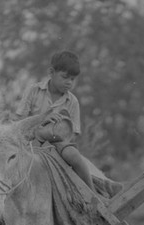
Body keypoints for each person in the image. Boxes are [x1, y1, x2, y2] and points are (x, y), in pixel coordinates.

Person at [15, 50, 94, 191]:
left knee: (73, 155)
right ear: (51, 72)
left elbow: (73, 134)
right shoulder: (34, 91)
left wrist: (59, 132)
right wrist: (42, 121)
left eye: (73, 79)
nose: (69, 82)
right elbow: (20, 122)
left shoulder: (72, 101)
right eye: (65, 77)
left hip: (57, 145)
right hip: (30, 141)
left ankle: (91, 192)